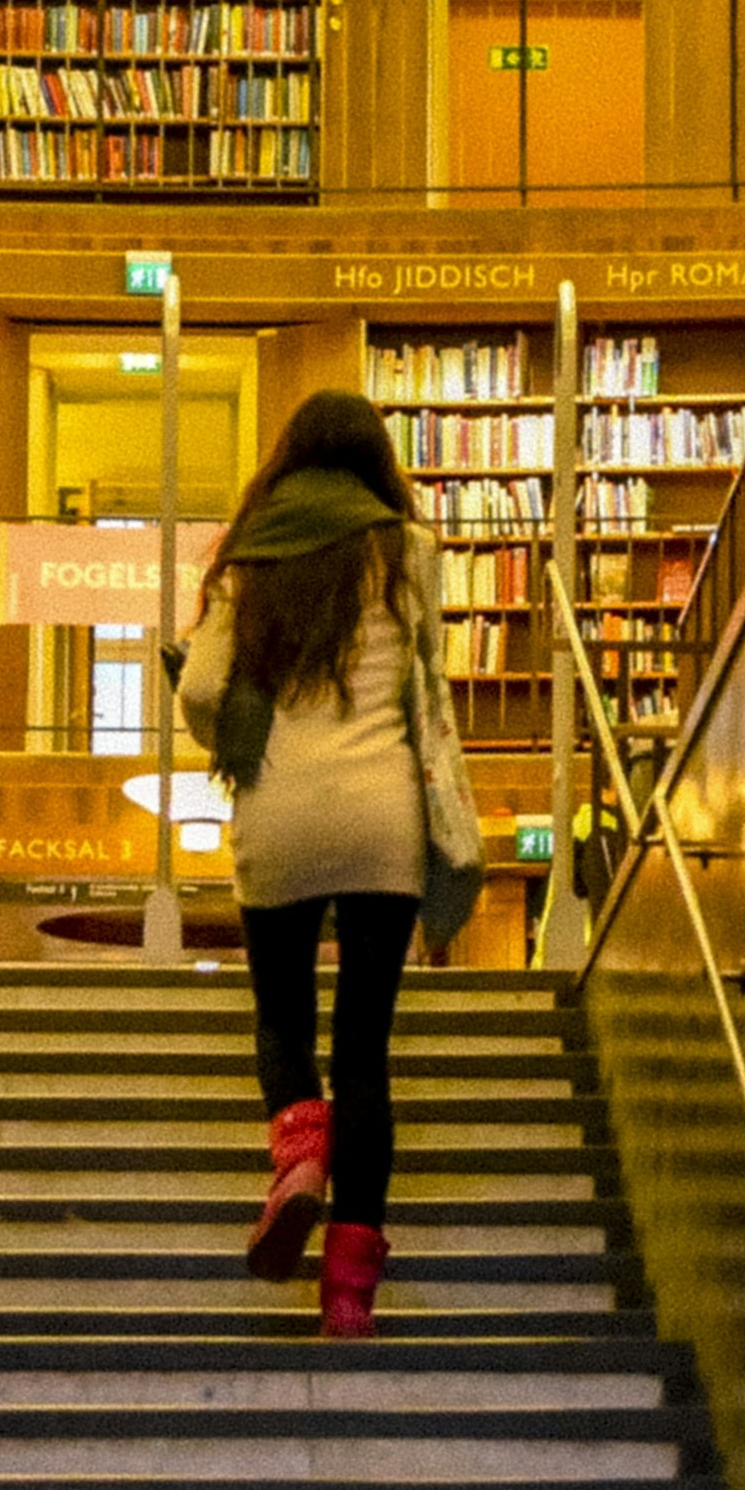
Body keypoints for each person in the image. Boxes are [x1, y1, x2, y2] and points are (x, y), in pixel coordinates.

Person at [171, 389, 475, 1338]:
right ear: (376, 460)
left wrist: (244, 739)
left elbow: (206, 689)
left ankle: (298, 1156)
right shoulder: (409, 551)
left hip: (281, 816)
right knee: (366, 1054)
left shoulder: (243, 558)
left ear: (287, 456)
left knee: (283, 1019)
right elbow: (428, 689)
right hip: (382, 819)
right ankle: (348, 1293)